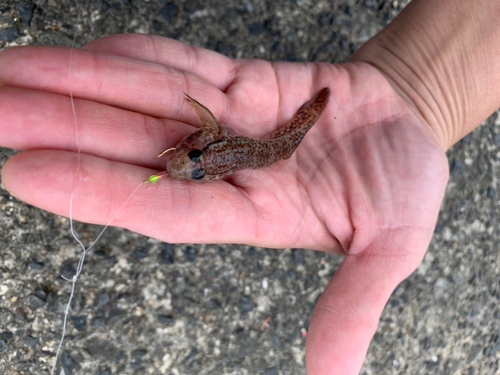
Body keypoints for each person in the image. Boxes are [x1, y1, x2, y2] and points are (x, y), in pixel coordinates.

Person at [0, 0, 498, 373]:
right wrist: (413, 84)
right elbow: (206, 133)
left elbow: (210, 126)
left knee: (284, 142)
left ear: (205, 154)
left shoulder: (215, 150)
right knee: (278, 142)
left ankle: (321, 109)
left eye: (192, 163)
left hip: (271, 144)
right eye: (194, 164)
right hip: (261, 140)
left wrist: (417, 93)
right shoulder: (206, 155)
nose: (185, 162)